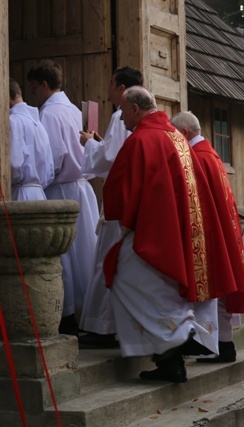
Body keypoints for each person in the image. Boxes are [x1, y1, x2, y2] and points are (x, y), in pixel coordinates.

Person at [102, 86, 235, 382]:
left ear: (136, 109)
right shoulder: (175, 137)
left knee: (125, 276)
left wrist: (125, 221)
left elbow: (126, 187)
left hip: (154, 232)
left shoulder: (141, 139)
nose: (121, 117)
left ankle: (178, 334)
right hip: (179, 230)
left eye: (123, 110)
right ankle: (170, 360)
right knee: (157, 289)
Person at [170, 111, 244, 363]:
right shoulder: (210, 154)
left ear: (184, 133)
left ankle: (208, 344)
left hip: (207, 234)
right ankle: (223, 343)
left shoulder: (197, 158)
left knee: (209, 292)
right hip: (219, 232)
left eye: (176, 136)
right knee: (218, 291)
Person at [27, 59, 99, 336]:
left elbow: (52, 156)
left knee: (64, 256)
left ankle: (65, 315)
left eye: (35, 88)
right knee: (84, 254)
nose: (35, 94)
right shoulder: (72, 109)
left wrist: (38, 182)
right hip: (82, 188)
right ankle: (87, 316)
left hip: (61, 187)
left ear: (44, 85)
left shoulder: (48, 114)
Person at [78, 66, 143, 348]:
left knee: (106, 261)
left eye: (111, 84)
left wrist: (90, 143)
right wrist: (100, 144)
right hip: (128, 196)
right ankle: (111, 325)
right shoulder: (131, 117)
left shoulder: (120, 116)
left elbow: (109, 160)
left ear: (120, 89)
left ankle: (102, 328)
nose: (107, 88)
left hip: (119, 199)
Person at [9, 78, 54, 201]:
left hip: (19, 194)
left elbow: (13, 164)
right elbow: (50, 170)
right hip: (39, 194)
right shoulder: (37, 123)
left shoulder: (13, 121)